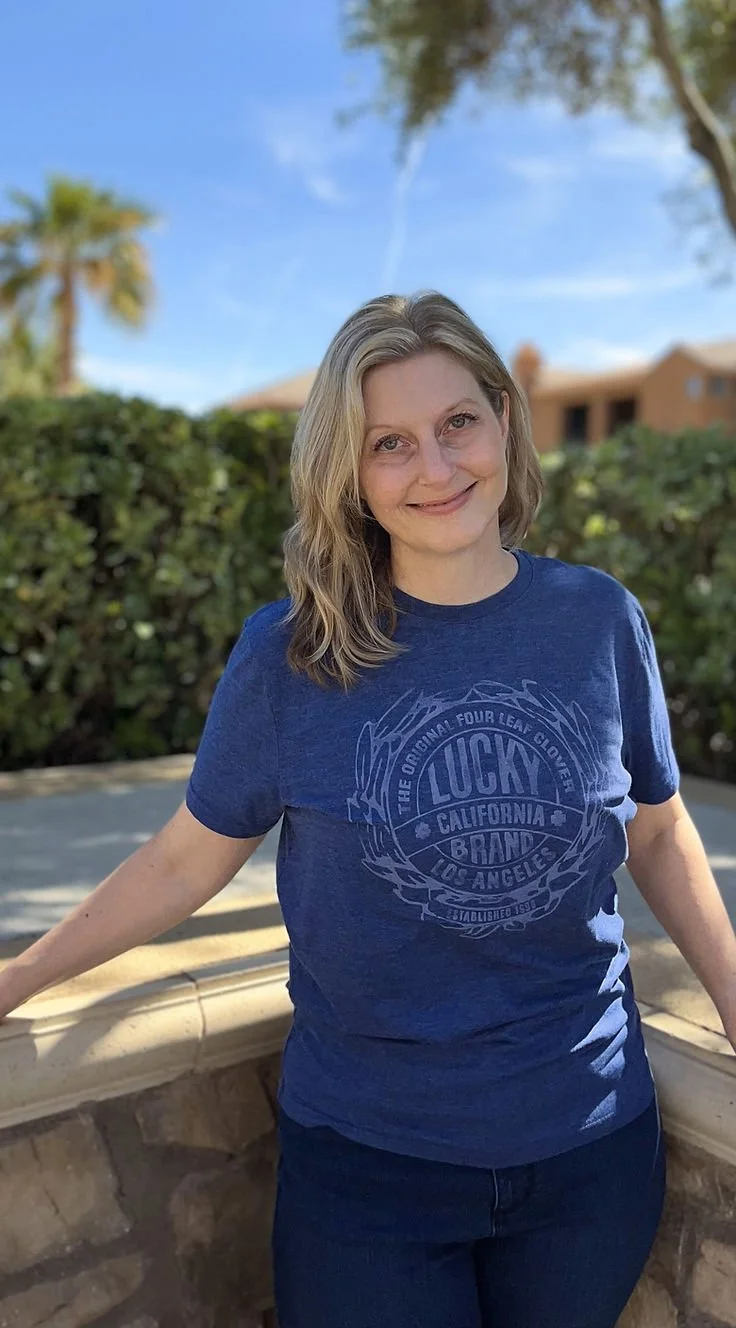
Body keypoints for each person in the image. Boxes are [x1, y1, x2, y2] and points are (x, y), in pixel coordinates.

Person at [1, 292, 735, 1328]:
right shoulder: (291, 655)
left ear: (504, 422)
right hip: (369, 1172)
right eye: (389, 442)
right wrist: (21, 975)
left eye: (456, 424)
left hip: (589, 1152)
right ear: (346, 471)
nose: (434, 469)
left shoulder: (598, 620)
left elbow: (658, 831)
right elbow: (181, 861)